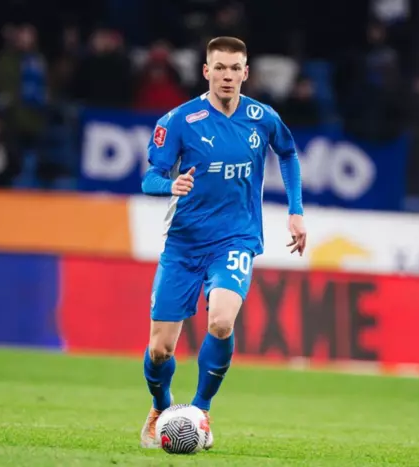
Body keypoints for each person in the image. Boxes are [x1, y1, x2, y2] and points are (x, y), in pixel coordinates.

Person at [139, 36, 306, 449]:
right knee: (160, 350)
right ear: (206, 72)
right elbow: (149, 178)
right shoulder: (179, 121)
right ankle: (160, 407)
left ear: (246, 73)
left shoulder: (262, 117)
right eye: (220, 68)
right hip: (183, 244)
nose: (227, 76)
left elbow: (288, 154)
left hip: (236, 238)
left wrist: (296, 210)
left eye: (235, 69)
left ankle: (200, 411)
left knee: (221, 321)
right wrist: (170, 185)